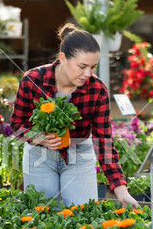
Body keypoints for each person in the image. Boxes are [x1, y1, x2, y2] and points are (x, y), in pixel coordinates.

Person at [10, 23, 138, 208]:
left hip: (80, 155)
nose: (88, 74)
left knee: (83, 216)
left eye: (93, 67)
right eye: (82, 66)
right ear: (63, 58)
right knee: (42, 218)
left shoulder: (98, 90)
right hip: (39, 156)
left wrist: (120, 188)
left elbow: (103, 141)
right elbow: (16, 123)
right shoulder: (33, 80)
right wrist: (38, 137)